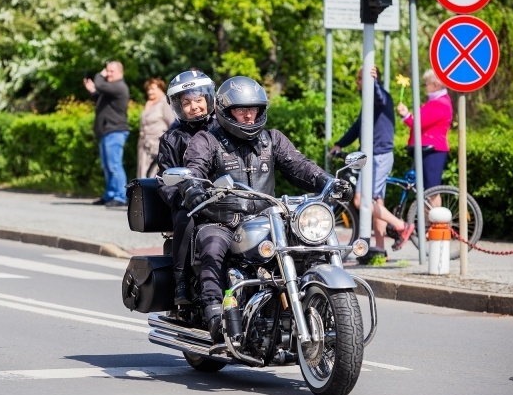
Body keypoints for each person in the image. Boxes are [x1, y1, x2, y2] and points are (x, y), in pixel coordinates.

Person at [181, 76, 352, 343]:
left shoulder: (271, 140)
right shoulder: (207, 140)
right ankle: (214, 312)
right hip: (222, 220)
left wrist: (329, 181)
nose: (249, 115)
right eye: (241, 110)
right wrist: (192, 187)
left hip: (266, 220)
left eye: (254, 109)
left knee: (309, 248)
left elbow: (299, 165)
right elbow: (195, 168)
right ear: (225, 111)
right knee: (212, 246)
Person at [329, 66, 413, 251]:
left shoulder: (380, 96)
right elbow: (357, 127)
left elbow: (379, 96)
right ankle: (380, 249)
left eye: (360, 78)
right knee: (377, 203)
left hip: (379, 156)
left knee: (361, 201)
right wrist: (339, 144)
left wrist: (373, 83)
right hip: (373, 156)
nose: (357, 82)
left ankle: (401, 226)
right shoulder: (368, 102)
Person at [156, 70, 217, 306]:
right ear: (178, 107)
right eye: (186, 103)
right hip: (189, 201)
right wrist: (183, 196)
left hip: (224, 198)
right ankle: (180, 281)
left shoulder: (224, 131)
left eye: (199, 100)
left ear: (208, 99)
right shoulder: (172, 138)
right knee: (186, 217)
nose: (194, 107)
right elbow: (164, 179)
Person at [396, 69, 452, 207]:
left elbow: (418, 123)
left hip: (433, 150)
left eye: (426, 84)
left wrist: (406, 115)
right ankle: (429, 218)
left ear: (435, 85)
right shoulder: (436, 101)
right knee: (427, 190)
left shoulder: (440, 103)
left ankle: (435, 219)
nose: (425, 87)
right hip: (427, 149)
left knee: (432, 191)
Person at [83, 61, 130, 208]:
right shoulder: (110, 89)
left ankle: (121, 196)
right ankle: (110, 195)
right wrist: (92, 91)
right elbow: (100, 98)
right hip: (107, 132)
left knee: (114, 165)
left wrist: (100, 75)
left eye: (111, 71)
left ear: (120, 72)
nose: (108, 74)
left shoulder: (119, 86)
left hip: (115, 131)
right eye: (107, 71)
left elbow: (100, 84)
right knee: (107, 166)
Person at [137, 77, 175, 178]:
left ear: (160, 88)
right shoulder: (149, 103)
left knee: (155, 174)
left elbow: (172, 124)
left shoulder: (164, 103)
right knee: (143, 174)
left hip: (158, 146)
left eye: (153, 89)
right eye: (148, 89)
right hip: (145, 146)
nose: (150, 92)